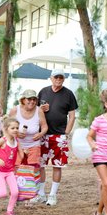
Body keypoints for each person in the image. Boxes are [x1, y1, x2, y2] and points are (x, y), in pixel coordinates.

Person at [37, 69, 78, 206]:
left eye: (61, 77)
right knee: (40, 165)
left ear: (64, 79)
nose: (58, 79)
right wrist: (41, 110)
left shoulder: (68, 94)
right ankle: (41, 193)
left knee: (57, 165)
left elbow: (72, 116)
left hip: (59, 135)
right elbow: (35, 111)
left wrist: (66, 133)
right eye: (56, 77)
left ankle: (53, 194)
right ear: (51, 78)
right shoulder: (43, 91)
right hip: (43, 134)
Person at [9, 89, 48, 199]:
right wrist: (16, 133)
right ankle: (16, 192)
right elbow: (7, 126)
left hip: (34, 144)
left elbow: (45, 126)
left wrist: (40, 134)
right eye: (29, 99)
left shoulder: (38, 111)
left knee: (34, 168)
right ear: (23, 100)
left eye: (34, 99)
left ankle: (34, 193)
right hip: (18, 144)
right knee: (16, 168)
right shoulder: (14, 110)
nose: (32, 101)